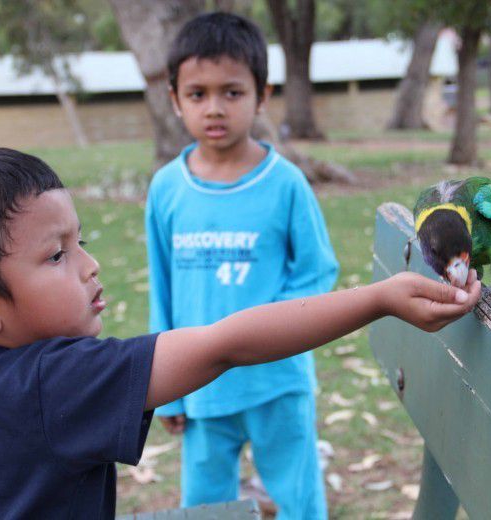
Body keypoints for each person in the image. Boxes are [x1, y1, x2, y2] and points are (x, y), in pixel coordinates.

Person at [0, 147, 480, 518]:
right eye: (56, 256)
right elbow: (225, 343)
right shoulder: (52, 381)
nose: (90, 265)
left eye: (81, 242)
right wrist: (377, 299)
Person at [145, 12, 338, 517]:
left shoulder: (286, 183)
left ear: (261, 95)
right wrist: (164, 387)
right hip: (199, 379)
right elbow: (161, 289)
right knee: (205, 504)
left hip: (277, 379)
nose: (215, 108)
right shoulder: (167, 188)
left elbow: (318, 272)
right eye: (197, 93)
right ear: (174, 99)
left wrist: (268, 331)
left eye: (232, 92)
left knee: (299, 498)